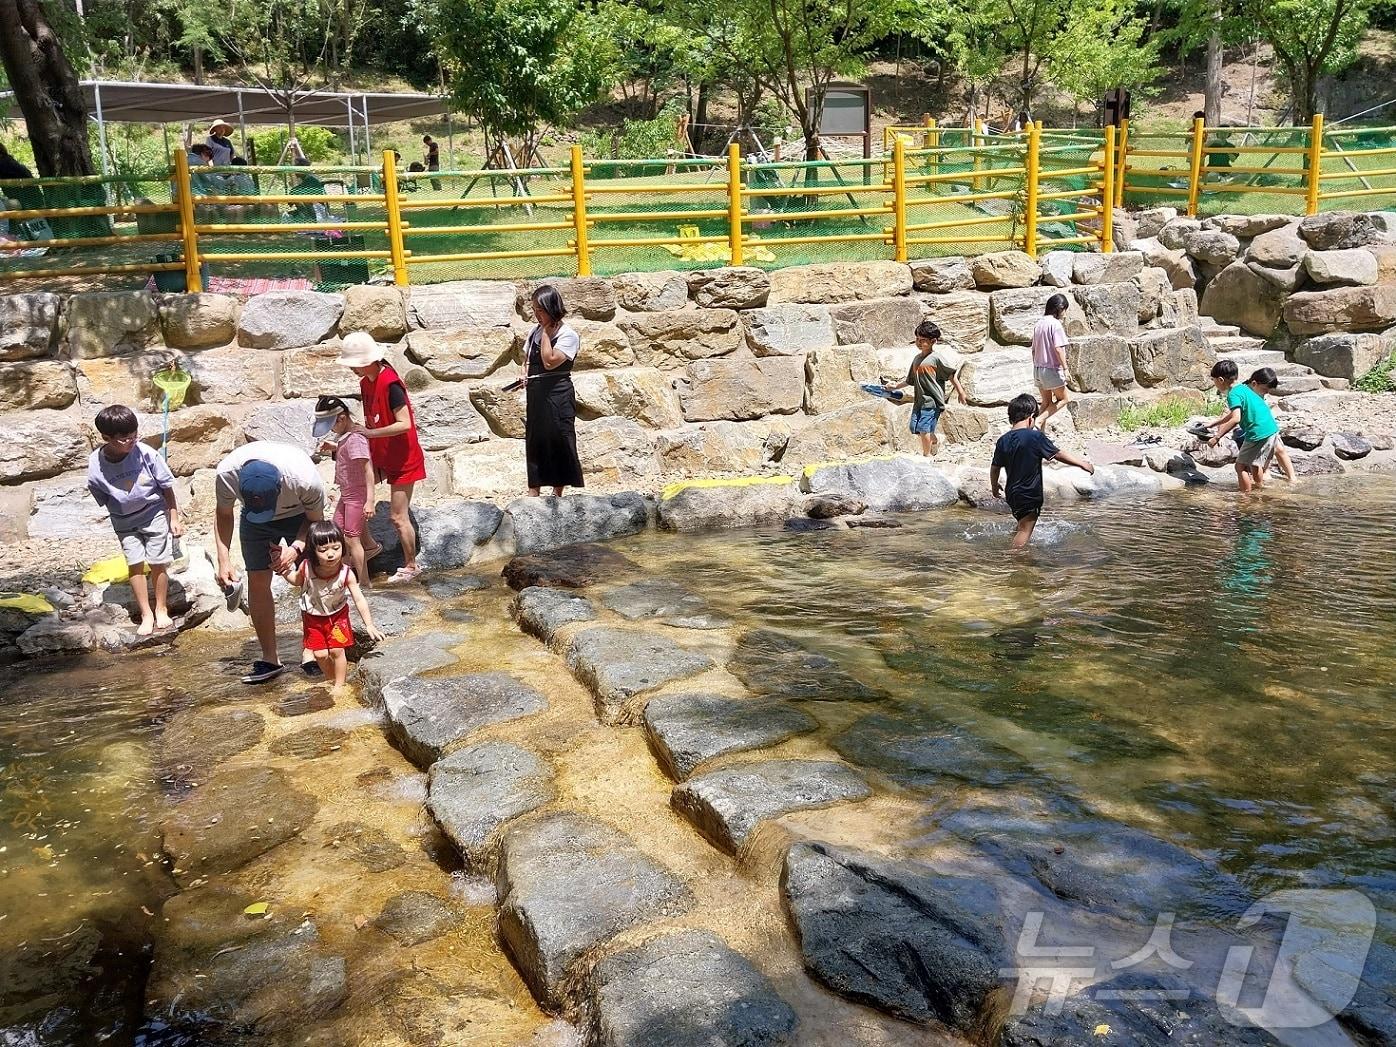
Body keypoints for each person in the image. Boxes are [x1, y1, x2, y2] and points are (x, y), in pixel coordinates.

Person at [213, 441, 326, 683]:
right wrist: (223, 559)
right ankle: (270, 658)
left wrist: (296, 548)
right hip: (254, 522)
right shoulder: (226, 474)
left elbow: (316, 522)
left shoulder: (304, 479)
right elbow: (223, 514)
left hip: (300, 515)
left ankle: (311, 649)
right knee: (257, 580)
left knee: (312, 577)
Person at [85, 405, 183, 637]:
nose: (131, 441)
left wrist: (174, 516)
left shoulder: (145, 453)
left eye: (134, 435)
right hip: (124, 521)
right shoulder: (96, 463)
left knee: (159, 561)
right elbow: (101, 494)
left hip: (154, 513)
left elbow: (166, 487)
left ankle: (161, 607)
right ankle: (145, 613)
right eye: (124, 439)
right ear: (106, 438)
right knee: (135, 563)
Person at [339, 332, 426, 583]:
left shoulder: (391, 384)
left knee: (397, 516)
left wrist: (369, 432)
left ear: (369, 360)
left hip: (403, 456)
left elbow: (405, 424)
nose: (353, 369)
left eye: (355, 363)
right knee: (351, 493)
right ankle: (368, 546)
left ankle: (411, 565)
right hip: (381, 453)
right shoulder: (365, 382)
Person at [279, 521, 383, 694]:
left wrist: (369, 624)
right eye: (323, 550)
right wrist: (283, 571)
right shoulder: (307, 567)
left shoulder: (346, 573)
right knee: (319, 654)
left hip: (337, 617)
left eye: (336, 548)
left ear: (343, 547)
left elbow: (359, 599)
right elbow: (296, 581)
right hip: (313, 617)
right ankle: (330, 678)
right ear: (313, 551)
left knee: (336, 650)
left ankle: (339, 685)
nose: (330, 554)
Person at [991, 393, 1096, 549]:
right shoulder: (1034, 437)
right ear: (1031, 418)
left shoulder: (1003, 440)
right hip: (1029, 493)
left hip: (1013, 494)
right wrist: (1082, 464)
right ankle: (1014, 559)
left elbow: (995, 468)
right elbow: (1057, 454)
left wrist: (994, 486)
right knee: (1025, 530)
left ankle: (1013, 543)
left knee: (1022, 524)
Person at [312, 395, 384, 588]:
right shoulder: (346, 437)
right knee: (338, 532)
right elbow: (347, 452)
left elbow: (367, 469)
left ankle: (364, 583)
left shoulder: (356, 439)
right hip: (347, 494)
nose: (331, 430)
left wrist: (369, 500)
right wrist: (333, 447)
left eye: (332, 425)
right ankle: (345, 576)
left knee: (352, 538)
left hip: (356, 495)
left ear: (342, 418)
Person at [522, 284, 583, 497]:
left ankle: (558, 492)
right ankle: (534, 490)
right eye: (535, 310)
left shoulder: (568, 335)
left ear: (551, 308)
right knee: (535, 439)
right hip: (536, 394)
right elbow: (528, 359)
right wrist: (524, 373)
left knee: (559, 438)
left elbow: (549, 361)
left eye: (540, 310)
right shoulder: (533, 332)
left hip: (558, 394)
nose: (537, 315)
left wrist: (547, 334)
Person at [881, 321, 966, 456]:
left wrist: (961, 392)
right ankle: (933, 440)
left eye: (923, 340)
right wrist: (895, 386)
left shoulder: (937, 358)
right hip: (919, 401)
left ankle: (926, 456)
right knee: (914, 427)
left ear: (933, 341)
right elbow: (910, 380)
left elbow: (951, 375)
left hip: (932, 401)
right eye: (917, 339)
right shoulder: (916, 359)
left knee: (923, 429)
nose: (919, 343)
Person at [1204, 358, 1279, 493]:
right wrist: (1217, 422)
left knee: (1240, 467)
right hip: (1271, 430)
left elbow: (1236, 419)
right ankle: (1259, 489)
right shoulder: (1245, 388)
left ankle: (1246, 499)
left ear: (1220, 380)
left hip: (1257, 433)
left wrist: (1217, 437)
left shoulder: (1233, 394)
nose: (1215, 384)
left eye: (1214, 381)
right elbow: (1236, 413)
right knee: (1256, 464)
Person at [1239, 367, 1296, 483]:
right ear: (1254, 383)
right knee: (1264, 455)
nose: (1267, 392)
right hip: (1260, 429)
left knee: (1279, 449)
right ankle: (1265, 474)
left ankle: (1292, 478)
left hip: (1268, 425)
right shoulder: (1245, 393)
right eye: (1265, 389)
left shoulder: (1256, 389)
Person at [1031, 293, 1072, 434]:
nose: (1065, 314)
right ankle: (1039, 421)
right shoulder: (1055, 325)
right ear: (1059, 308)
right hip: (1051, 369)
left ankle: (1036, 436)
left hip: (1038, 368)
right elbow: (1058, 348)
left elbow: (1033, 350)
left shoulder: (1039, 324)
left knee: (1046, 402)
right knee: (1064, 398)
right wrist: (1065, 369)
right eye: (1064, 309)